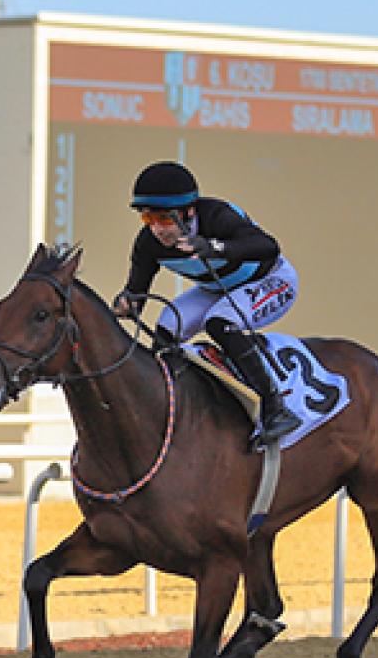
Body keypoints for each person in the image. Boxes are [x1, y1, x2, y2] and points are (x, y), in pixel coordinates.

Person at [113, 160, 301, 445]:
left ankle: (276, 408)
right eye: (148, 219)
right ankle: (169, 409)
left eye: (165, 219)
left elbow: (268, 247)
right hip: (216, 289)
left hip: (271, 279)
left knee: (219, 322)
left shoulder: (216, 217)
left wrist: (216, 247)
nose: (158, 230)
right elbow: (136, 291)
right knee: (167, 327)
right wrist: (125, 304)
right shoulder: (147, 244)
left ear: (189, 211)